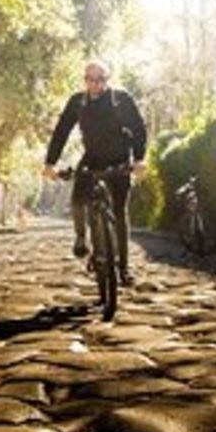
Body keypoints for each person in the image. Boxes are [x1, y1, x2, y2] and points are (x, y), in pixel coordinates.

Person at [42, 59, 147, 285]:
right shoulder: (78, 102)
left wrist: (139, 159)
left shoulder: (121, 100)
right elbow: (61, 131)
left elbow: (138, 128)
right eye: (89, 79)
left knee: (119, 212)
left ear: (107, 80)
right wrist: (50, 163)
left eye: (99, 79)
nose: (94, 84)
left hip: (120, 159)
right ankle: (82, 239)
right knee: (78, 199)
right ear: (84, 80)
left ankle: (124, 268)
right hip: (92, 158)